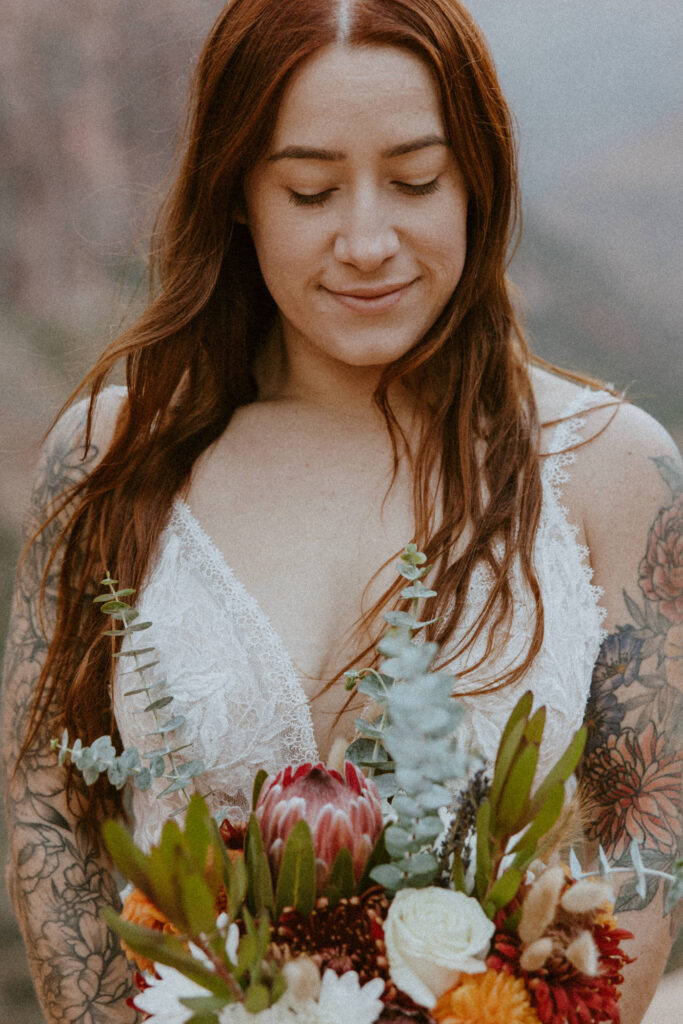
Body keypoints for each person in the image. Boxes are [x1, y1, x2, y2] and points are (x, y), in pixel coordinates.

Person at [1, 0, 680, 1021]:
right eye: (310, 189)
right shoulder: (109, 457)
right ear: (238, 193)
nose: (367, 241)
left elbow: (642, 846)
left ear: (476, 182)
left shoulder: (612, 470)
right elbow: (52, 811)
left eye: (415, 180)